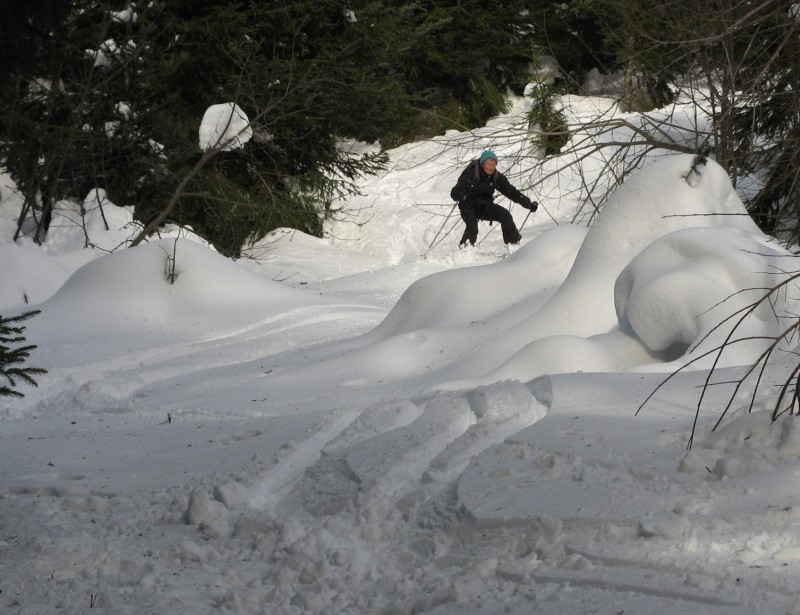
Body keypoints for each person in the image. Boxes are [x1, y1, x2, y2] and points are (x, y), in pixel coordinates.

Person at [450, 150, 538, 247]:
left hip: (485, 207)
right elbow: (454, 192)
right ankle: (465, 249)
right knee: (472, 227)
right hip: (468, 206)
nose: (491, 167)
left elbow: (511, 192)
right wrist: (462, 196)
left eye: (494, 164)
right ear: (482, 163)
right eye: (489, 164)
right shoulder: (470, 174)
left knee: (505, 215)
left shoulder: (496, 177)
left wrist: (528, 204)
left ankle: (513, 245)